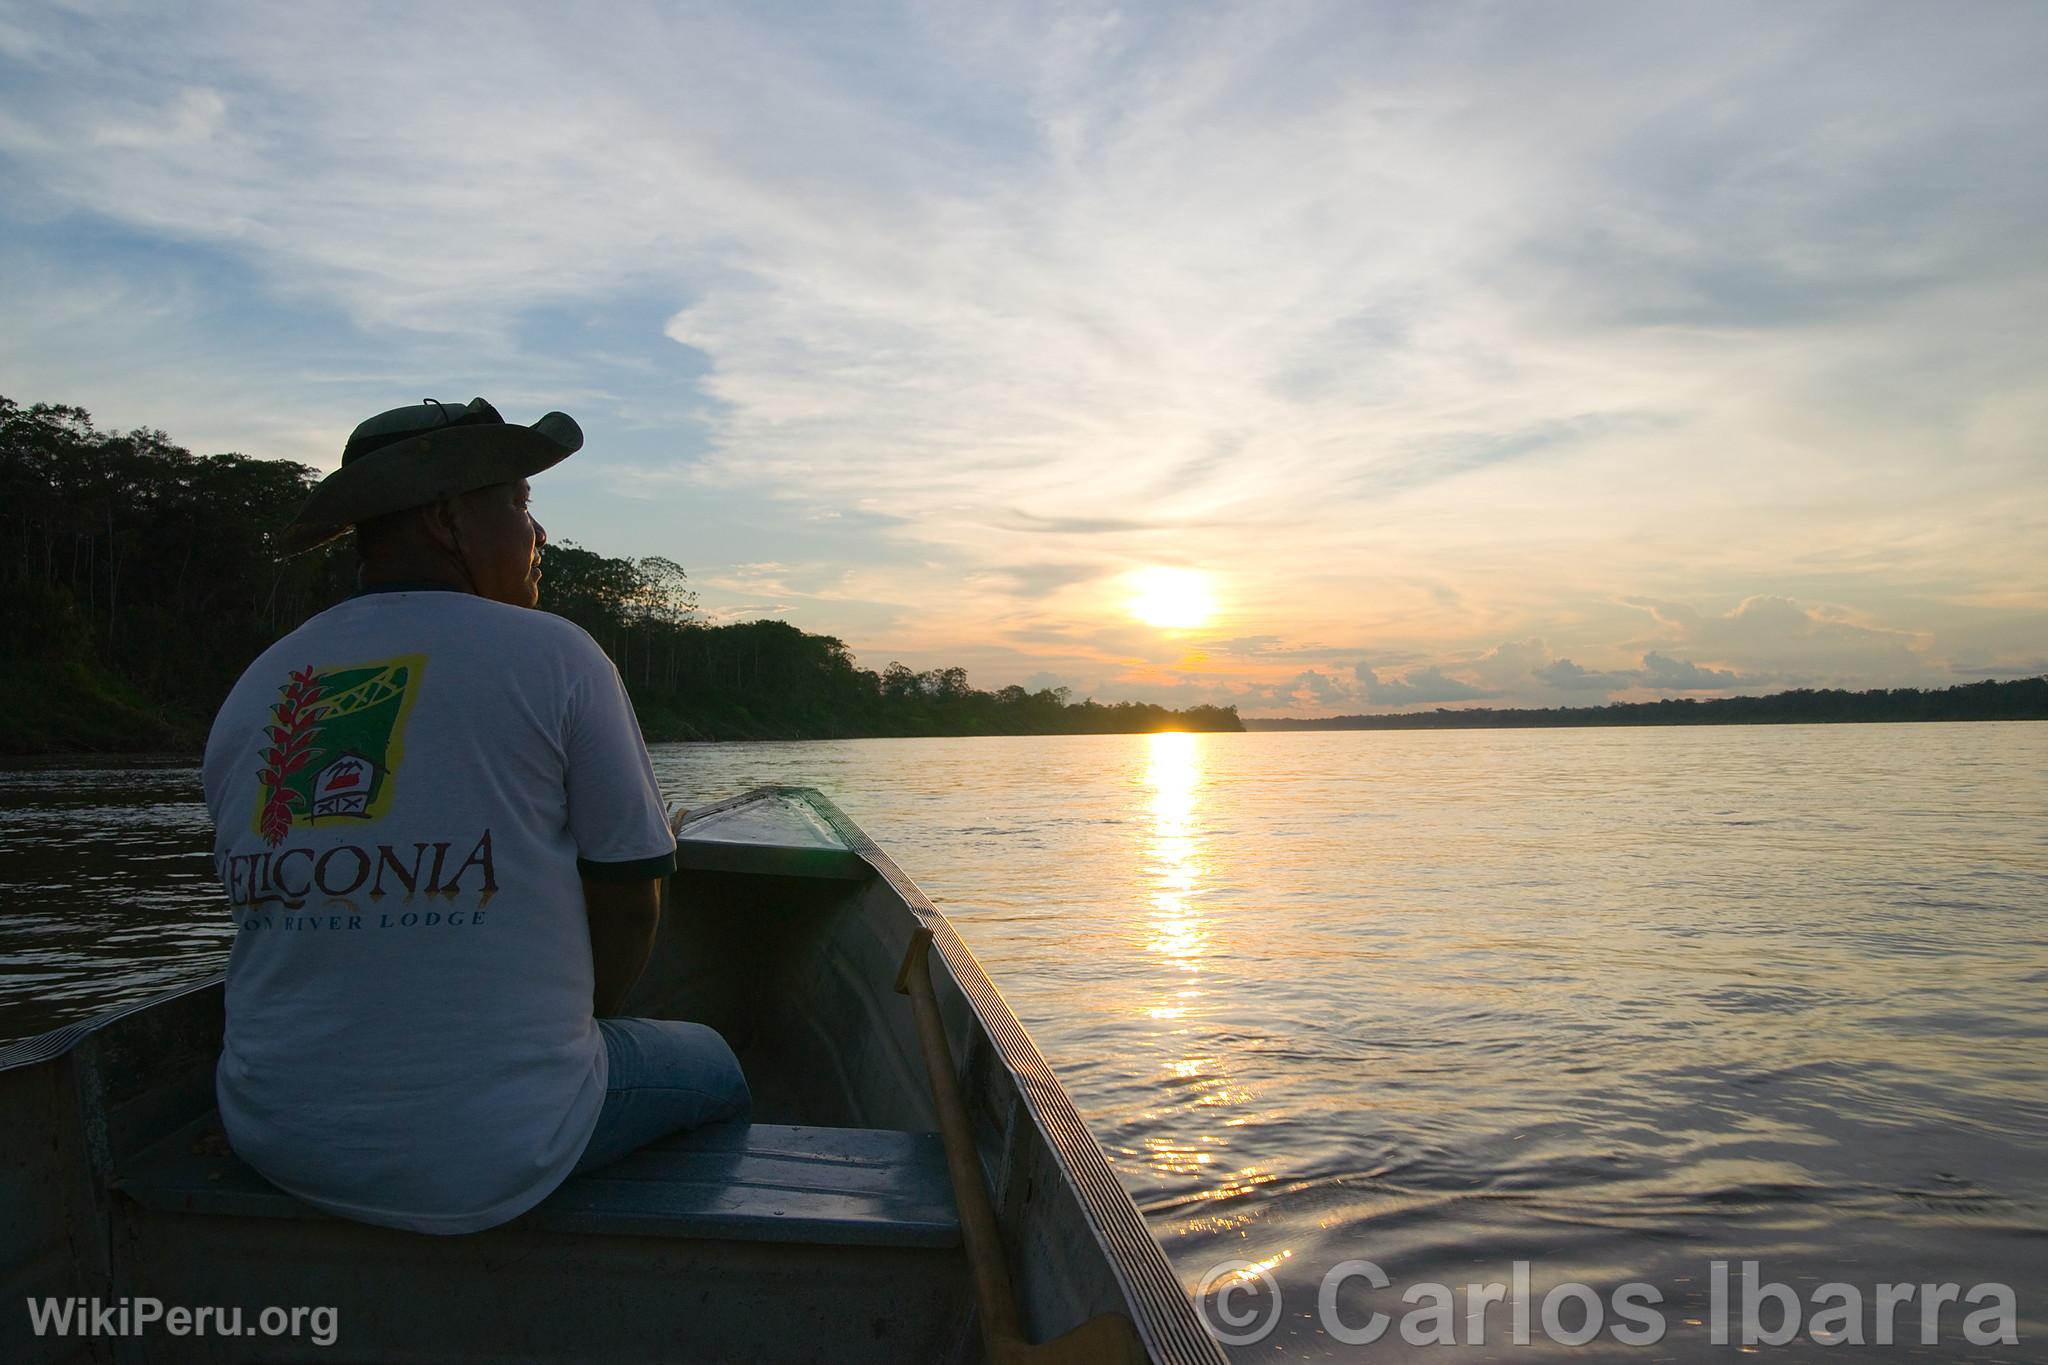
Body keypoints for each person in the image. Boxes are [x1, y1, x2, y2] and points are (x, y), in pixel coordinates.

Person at [201, 397, 749, 1235]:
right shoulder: (558, 656)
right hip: (495, 1151)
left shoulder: (260, 685)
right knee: (719, 1064)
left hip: (273, 1135)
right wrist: (582, 1025)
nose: (539, 537)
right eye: (521, 505)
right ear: (448, 517)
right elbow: (632, 901)